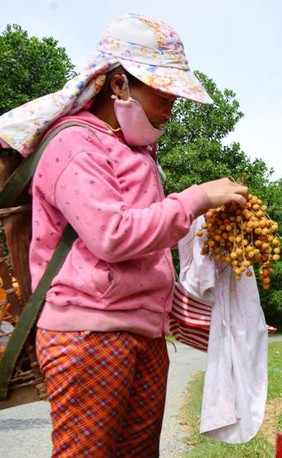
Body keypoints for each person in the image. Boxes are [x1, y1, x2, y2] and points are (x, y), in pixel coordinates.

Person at [0, 13, 248, 456]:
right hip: (89, 335)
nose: (172, 107)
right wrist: (195, 199)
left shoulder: (135, 152)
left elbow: (148, 232)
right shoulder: (75, 145)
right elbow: (112, 235)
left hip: (144, 334)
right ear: (118, 85)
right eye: (164, 93)